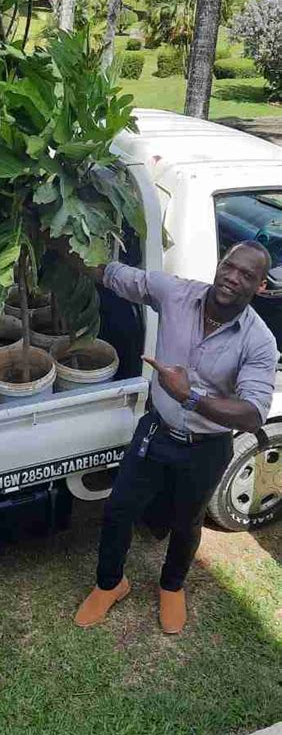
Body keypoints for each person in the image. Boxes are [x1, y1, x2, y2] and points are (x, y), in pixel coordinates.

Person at [73, 240, 278, 634]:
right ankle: (110, 583)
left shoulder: (259, 341)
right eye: (229, 266)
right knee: (119, 509)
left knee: (186, 523)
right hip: (155, 432)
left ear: (260, 287)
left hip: (207, 448)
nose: (232, 277)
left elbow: (253, 413)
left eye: (246, 275)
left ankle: (171, 586)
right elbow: (115, 276)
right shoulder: (177, 293)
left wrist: (191, 396)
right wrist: (61, 246)